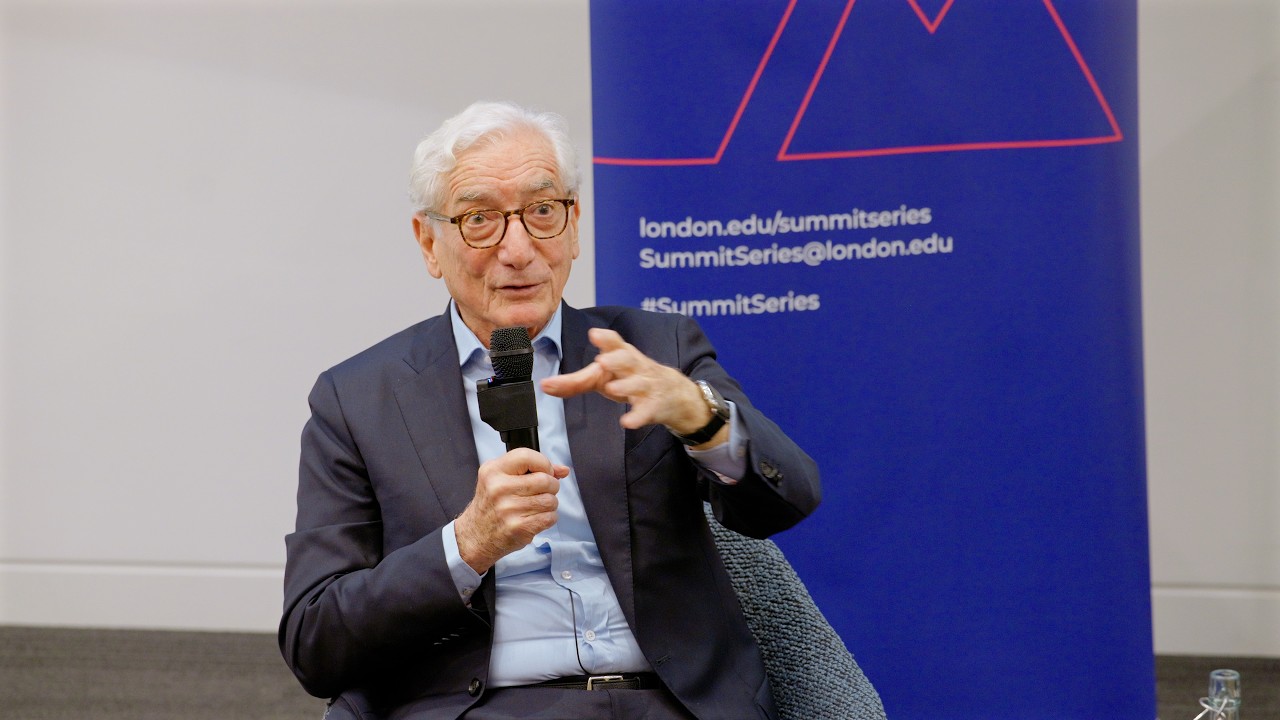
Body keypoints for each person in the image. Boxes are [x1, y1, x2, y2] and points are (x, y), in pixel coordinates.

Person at [280, 100, 821, 720]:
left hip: (671, 703)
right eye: (480, 219)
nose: (518, 250)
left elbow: (789, 498)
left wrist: (698, 415)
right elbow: (314, 641)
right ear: (429, 241)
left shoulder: (655, 349)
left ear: (574, 223)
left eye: (542, 211)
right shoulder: (358, 400)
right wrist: (467, 544)